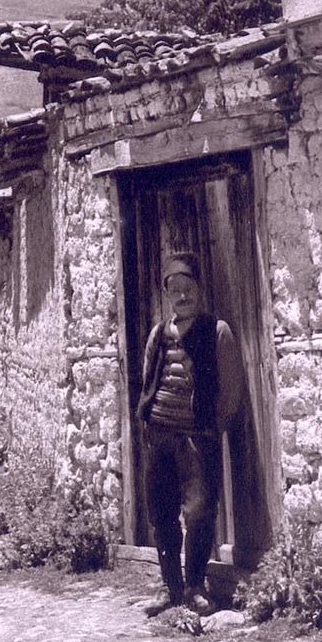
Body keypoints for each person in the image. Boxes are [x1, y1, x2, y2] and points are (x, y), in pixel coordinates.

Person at [136, 252, 246, 618]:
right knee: (161, 513)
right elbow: (148, 378)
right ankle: (170, 587)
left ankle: (195, 586)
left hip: (198, 438)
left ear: (200, 290)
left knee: (199, 512)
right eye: (174, 291)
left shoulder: (217, 332)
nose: (181, 298)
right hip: (160, 436)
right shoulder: (158, 334)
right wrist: (148, 419)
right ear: (167, 296)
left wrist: (212, 427)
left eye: (188, 289)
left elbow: (231, 391)